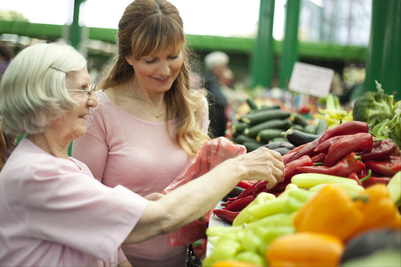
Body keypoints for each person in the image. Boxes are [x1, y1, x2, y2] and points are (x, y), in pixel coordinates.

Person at [0, 42, 284, 267]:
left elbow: (118, 227)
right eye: (83, 90)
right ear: (46, 100)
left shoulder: (66, 166)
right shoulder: (38, 176)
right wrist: (237, 168)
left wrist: (139, 205)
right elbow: (159, 219)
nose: (93, 100)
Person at [72, 0, 213, 265]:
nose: (164, 70)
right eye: (151, 60)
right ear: (128, 56)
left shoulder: (195, 108)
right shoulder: (98, 110)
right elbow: (85, 205)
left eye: (173, 56)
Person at [203, 51, 230, 137]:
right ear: (214, 68)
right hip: (214, 123)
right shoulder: (211, 80)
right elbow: (223, 100)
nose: (224, 70)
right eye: (222, 67)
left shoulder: (212, 79)